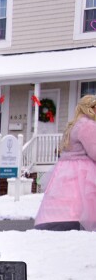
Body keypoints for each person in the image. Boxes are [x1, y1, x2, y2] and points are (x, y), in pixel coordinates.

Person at [34, 95, 96, 231]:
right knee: (82, 202)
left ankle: (58, 225)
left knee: (68, 202)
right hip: (82, 171)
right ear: (91, 109)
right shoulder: (88, 125)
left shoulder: (75, 124)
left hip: (66, 170)